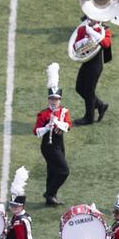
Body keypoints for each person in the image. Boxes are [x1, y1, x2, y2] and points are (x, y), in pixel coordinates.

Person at [34, 64, 71, 207]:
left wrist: (57, 122)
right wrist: (46, 127)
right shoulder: (43, 113)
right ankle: (50, 192)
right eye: (51, 99)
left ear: (60, 100)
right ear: (48, 99)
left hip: (59, 143)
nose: (54, 101)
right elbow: (36, 131)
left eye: (56, 99)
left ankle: (50, 199)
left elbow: (68, 126)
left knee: (52, 171)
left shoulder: (63, 112)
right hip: (48, 145)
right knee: (63, 171)